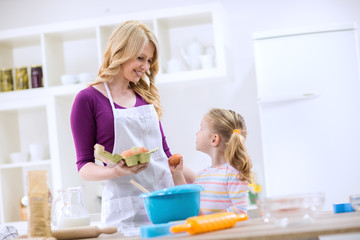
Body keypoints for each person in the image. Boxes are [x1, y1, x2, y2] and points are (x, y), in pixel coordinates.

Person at [70, 20, 175, 231]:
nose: (145, 67)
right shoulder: (87, 99)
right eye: (140, 58)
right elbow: (84, 167)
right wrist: (116, 172)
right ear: (121, 51)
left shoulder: (145, 97)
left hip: (165, 207)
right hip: (124, 214)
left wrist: (211, 177)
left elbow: (166, 156)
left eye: (149, 60)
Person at [169, 108, 253, 215]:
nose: (197, 133)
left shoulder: (233, 174)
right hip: (206, 230)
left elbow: (240, 210)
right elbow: (189, 202)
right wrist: (177, 175)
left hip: (223, 231)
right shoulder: (202, 175)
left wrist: (208, 220)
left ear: (214, 139)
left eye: (201, 128)